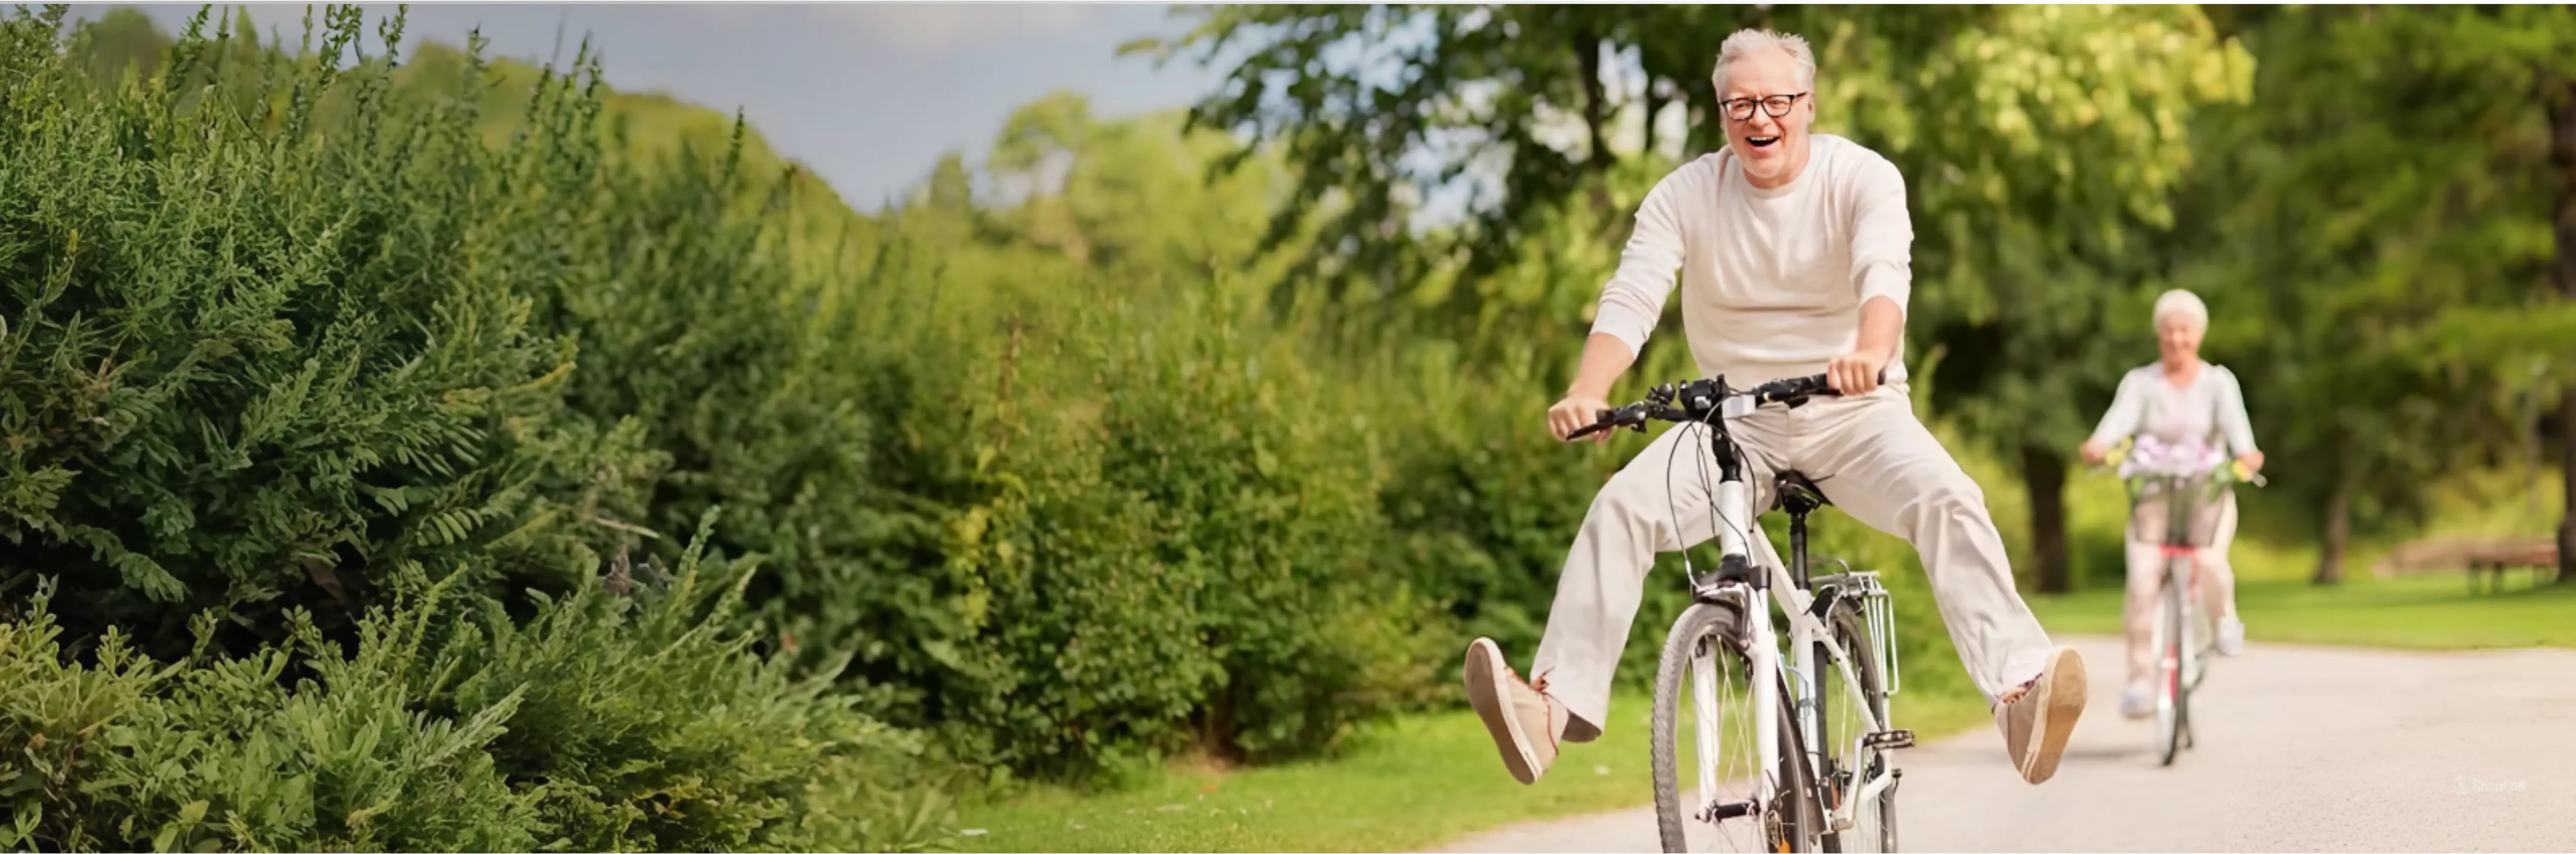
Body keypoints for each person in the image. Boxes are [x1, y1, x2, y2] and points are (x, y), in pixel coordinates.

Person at [1458, 28, 2090, 790]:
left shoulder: (1861, 177)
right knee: (1620, 507)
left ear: (1808, 106)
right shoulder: (1685, 193)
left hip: (1854, 410)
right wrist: (1587, 390)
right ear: (1722, 114)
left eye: (1776, 101)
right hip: (1732, 423)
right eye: (1740, 105)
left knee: (1947, 496)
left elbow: (1883, 272)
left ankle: (2019, 696)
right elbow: (1632, 295)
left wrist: (1869, 349)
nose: (1759, 119)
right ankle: (1548, 712)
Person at [2077, 288, 2263, 720]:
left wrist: (2247, 456)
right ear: (2159, 336)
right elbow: (2114, 425)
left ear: (2198, 334)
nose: (2177, 339)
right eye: (2168, 331)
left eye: (2185, 331)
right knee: (2142, 582)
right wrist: (2098, 445)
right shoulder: (2141, 384)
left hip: (2205, 498)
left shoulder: (2219, 382)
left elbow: (2241, 437)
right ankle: (2140, 682)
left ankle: (2223, 623)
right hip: (2155, 500)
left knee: (2210, 561)